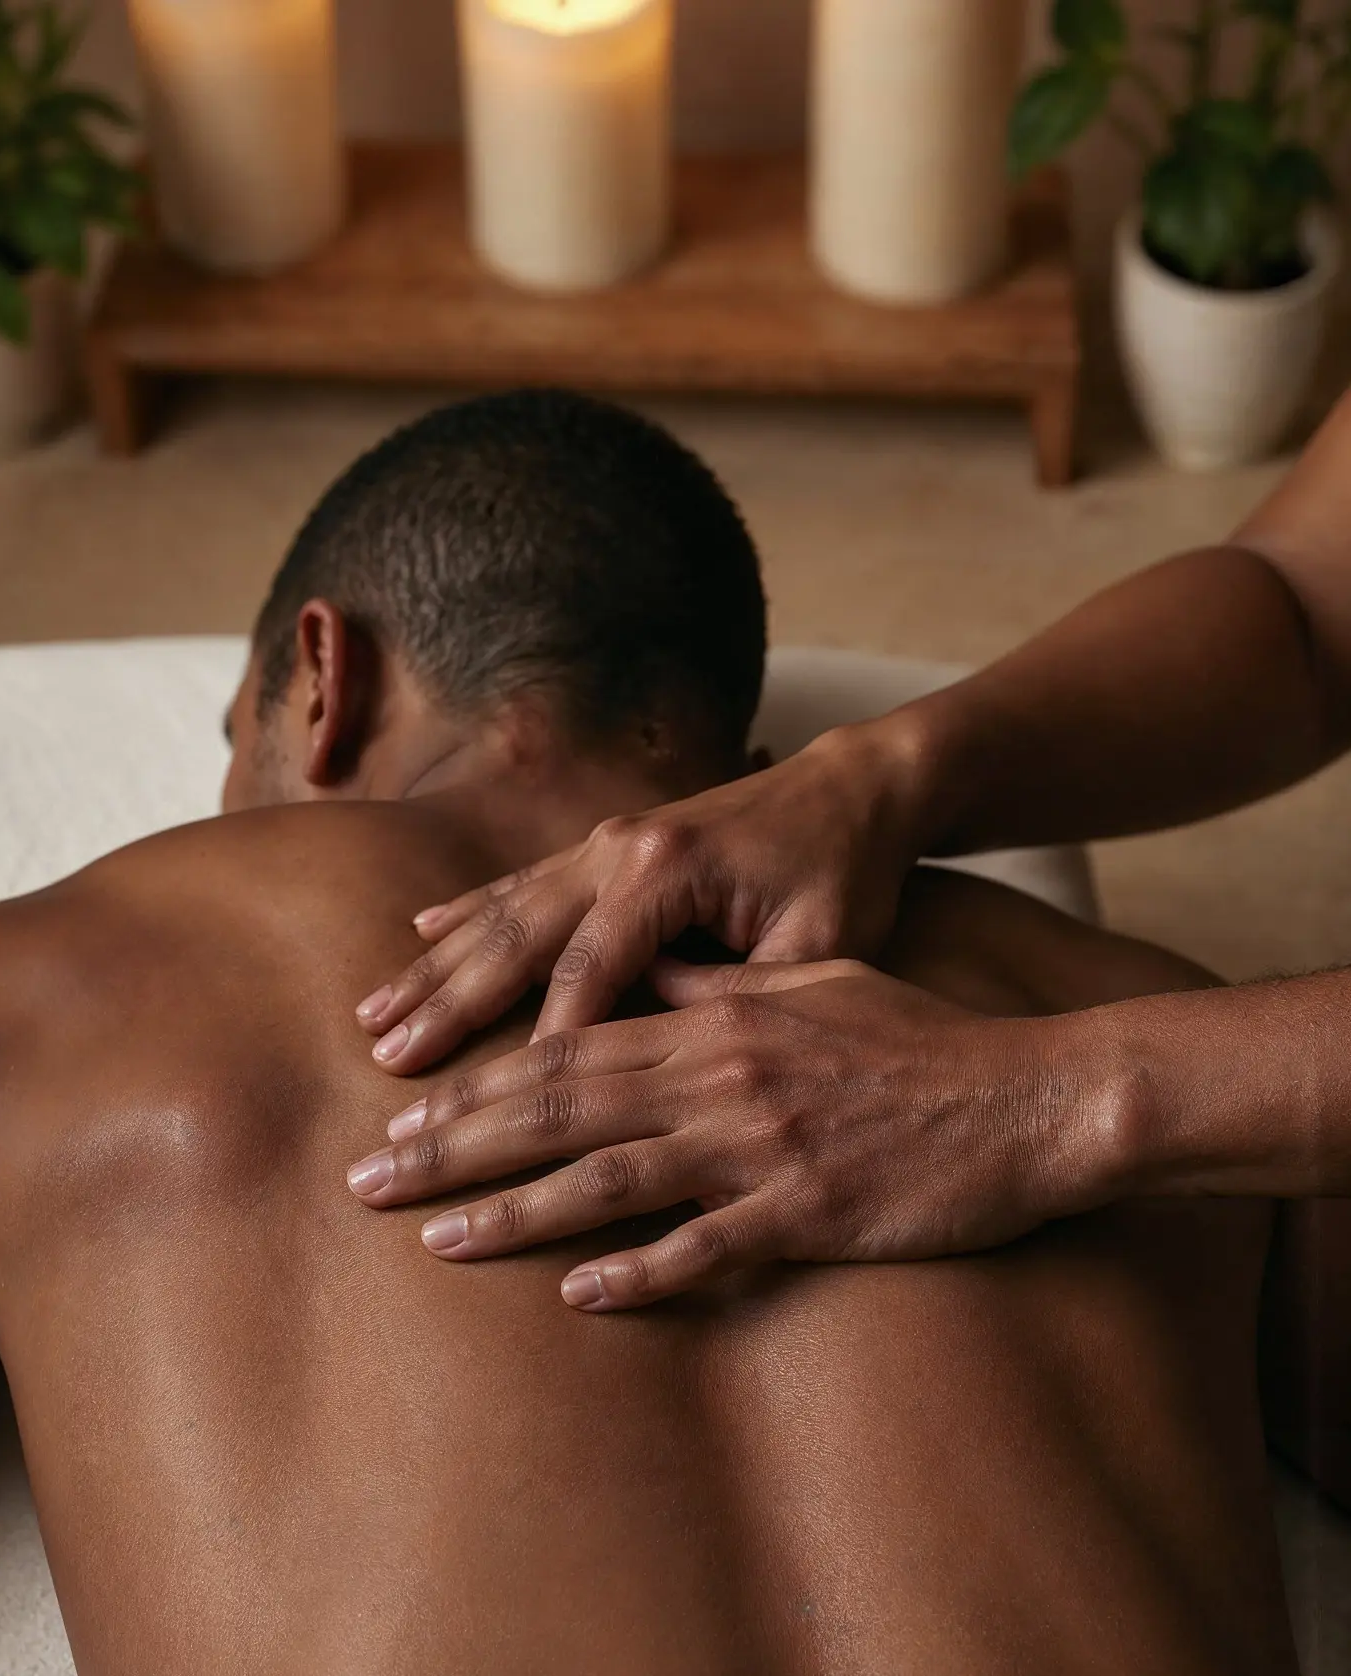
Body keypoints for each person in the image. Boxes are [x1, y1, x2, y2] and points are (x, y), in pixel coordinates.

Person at [0, 390, 1330, 1671]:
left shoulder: (21, 990)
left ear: (320, 682)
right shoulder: (1191, 1031)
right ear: (749, 764)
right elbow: (1304, 604)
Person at [353, 386, 1351, 1347]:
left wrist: (1064, 1096)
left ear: (327, 687)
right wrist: (881, 769)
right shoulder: (1123, 987)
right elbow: (1312, 599)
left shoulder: (204, 929)